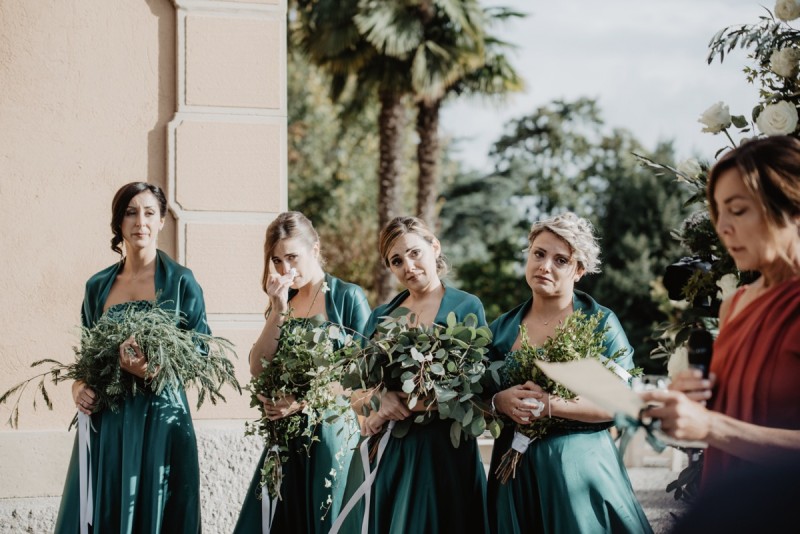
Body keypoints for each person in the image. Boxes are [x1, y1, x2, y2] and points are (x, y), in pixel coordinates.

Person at [642, 135, 800, 486]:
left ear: (792, 206)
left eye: (738, 210)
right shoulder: (735, 304)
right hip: (725, 505)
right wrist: (691, 403)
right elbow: (735, 414)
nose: (723, 227)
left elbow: (724, 429)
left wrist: (713, 427)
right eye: (718, 211)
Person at [55, 182, 209, 533]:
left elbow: (200, 352)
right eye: (130, 212)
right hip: (110, 420)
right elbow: (86, 356)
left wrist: (150, 369)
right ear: (118, 223)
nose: (140, 221)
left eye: (149, 212)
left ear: (161, 221)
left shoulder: (182, 282)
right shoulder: (98, 286)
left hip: (162, 419)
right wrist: (78, 386)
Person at [486, 212, 651, 534]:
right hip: (514, 473)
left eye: (560, 260)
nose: (545, 266)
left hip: (578, 468)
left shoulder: (601, 323)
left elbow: (623, 405)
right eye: (539, 254)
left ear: (579, 271)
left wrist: (550, 405)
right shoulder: (502, 329)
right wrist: (499, 402)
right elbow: (475, 394)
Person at [337, 216, 490, 534]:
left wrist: (405, 403)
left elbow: (475, 386)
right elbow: (356, 389)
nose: (408, 265)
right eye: (396, 260)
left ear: (434, 247)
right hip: (394, 453)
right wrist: (378, 399)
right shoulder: (382, 316)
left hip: (445, 453)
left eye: (414, 252)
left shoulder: (465, 306)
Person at [234, 211, 371, 533]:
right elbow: (257, 366)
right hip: (285, 437)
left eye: (292, 257)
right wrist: (278, 309)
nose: (285, 269)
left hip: (331, 434)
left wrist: (305, 400)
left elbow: (365, 371)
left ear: (315, 249)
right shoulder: (283, 302)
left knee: (326, 520)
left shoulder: (346, 297)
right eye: (277, 261)